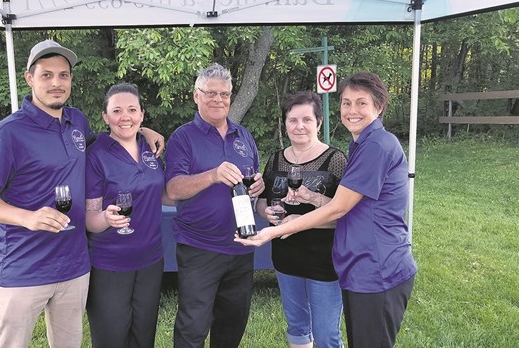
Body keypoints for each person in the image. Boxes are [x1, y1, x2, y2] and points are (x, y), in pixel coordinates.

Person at [0, 40, 164, 348]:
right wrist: (27, 217)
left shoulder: (77, 122)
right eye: (46, 75)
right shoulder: (7, 134)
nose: (56, 83)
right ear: (30, 78)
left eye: (63, 75)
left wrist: (143, 131)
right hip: (24, 267)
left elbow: (111, 137)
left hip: (74, 265)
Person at [236, 72, 418, 348]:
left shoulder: (377, 146)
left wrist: (274, 232)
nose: (352, 111)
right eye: (346, 103)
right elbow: (347, 206)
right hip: (359, 266)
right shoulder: (362, 144)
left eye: (361, 103)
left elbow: (338, 208)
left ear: (379, 107)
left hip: (378, 267)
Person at [164, 63, 265, 348]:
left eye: (224, 94)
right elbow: (173, 189)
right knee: (192, 326)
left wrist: (258, 186)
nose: (218, 99)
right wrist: (212, 175)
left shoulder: (243, 136)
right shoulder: (183, 138)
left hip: (240, 246)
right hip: (200, 249)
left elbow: (251, 182)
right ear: (196, 95)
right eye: (210, 93)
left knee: (232, 325)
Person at [84, 82, 174, 348]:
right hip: (110, 264)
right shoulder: (96, 154)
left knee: (143, 337)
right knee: (111, 338)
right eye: (117, 110)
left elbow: (165, 194)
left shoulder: (151, 149)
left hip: (151, 260)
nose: (125, 117)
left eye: (132, 110)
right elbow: (90, 217)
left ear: (142, 114)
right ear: (105, 116)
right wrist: (106, 219)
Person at [256, 91, 346, 348]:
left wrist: (310, 203)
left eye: (307, 119)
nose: (299, 126)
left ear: (318, 122)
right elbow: (262, 201)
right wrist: (267, 213)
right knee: (297, 328)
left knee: (326, 335)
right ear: (285, 123)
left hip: (325, 261)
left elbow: (345, 213)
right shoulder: (275, 159)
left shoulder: (335, 160)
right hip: (286, 257)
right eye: (292, 120)